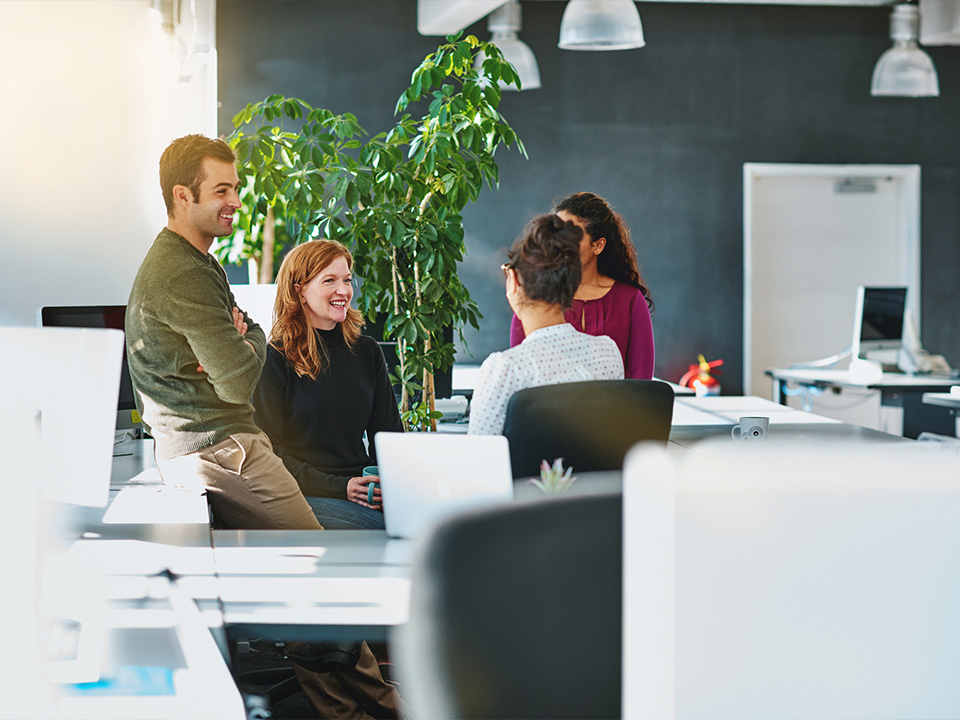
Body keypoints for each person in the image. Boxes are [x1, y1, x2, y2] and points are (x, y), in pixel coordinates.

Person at [126, 134, 402, 719]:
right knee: (320, 584)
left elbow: (230, 359)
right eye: (220, 190)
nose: (234, 201)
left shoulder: (196, 262)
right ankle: (379, 708)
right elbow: (236, 379)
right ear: (183, 195)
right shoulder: (183, 272)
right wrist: (247, 336)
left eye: (235, 187)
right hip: (226, 450)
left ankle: (370, 708)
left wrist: (236, 337)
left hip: (214, 447)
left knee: (312, 588)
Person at [252, 240, 403, 530]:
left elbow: (389, 436)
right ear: (300, 290)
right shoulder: (276, 358)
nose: (344, 291)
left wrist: (391, 485)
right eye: (329, 280)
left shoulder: (366, 351)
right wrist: (341, 487)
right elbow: (269, 453)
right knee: (383, 530)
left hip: (362, 491)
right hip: (308, 492)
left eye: (347, 280)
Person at [469, 213, 624, 435]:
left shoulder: (506, 369)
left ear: (513, 280)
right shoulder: (608, 353)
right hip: (592, 472)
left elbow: (481, 459)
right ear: (572, 284)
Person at [509, 191, 655, 379]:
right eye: (557, 233)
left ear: (598, 245)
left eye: (570, 236)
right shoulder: (537, 295)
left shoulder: (631, 300)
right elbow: (520, 371)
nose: (559, 244)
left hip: (616, 409)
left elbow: (640, 381)